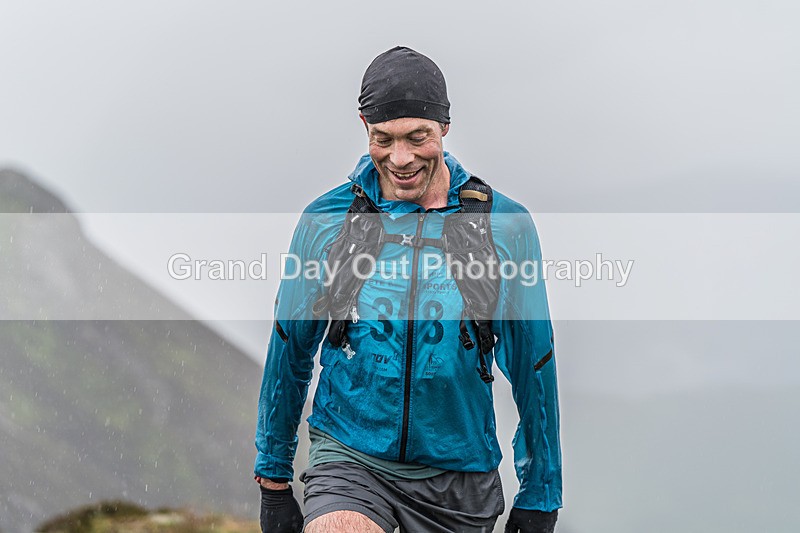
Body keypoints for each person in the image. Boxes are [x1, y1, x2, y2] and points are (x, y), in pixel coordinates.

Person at [254, 46, 561, 533]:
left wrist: (541, 493)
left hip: (459, 475)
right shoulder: (328, 220)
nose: (400, 159)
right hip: (351, 457)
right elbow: (289, 349)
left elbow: (533, 365)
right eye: (383, 139)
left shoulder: (504, 226)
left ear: (444, 127)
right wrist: (273, 477)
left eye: (418, 137)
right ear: (364, 126)